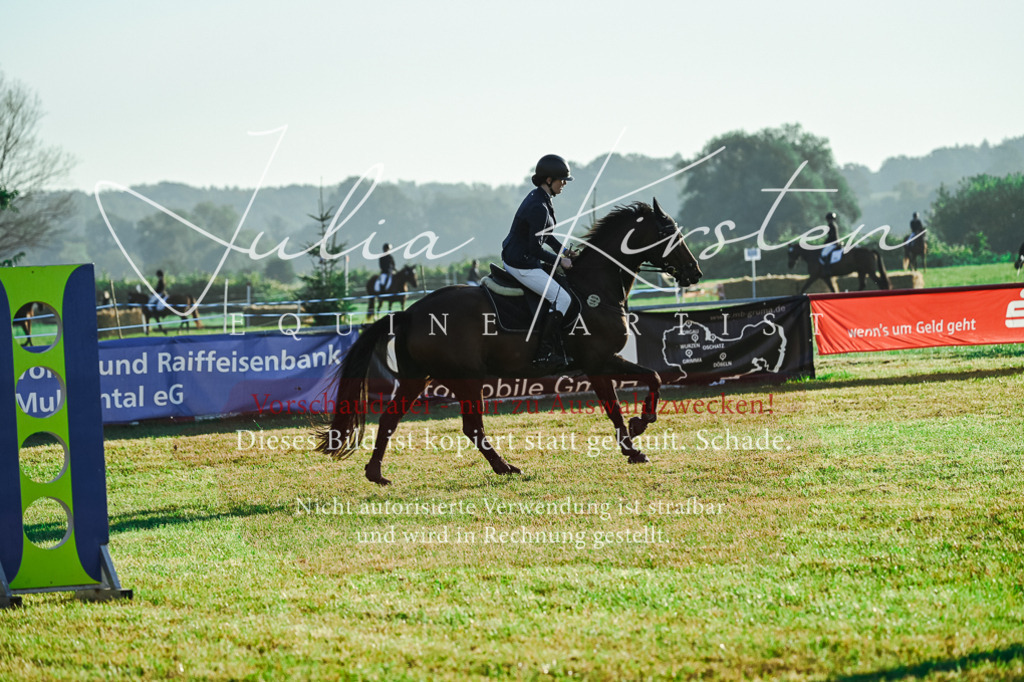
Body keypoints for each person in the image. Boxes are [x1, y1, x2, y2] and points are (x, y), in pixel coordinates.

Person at [501, 154, 576, 369]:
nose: (564, 185)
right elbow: (534, 248)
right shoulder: (538, 207)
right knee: (562, 299)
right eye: (562, 180)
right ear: (549, 180)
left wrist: (563, 252)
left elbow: (547, 237)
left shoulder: (542, 199)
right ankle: (544, 354)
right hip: (520, 263)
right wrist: (559, 262)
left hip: (523, 256)